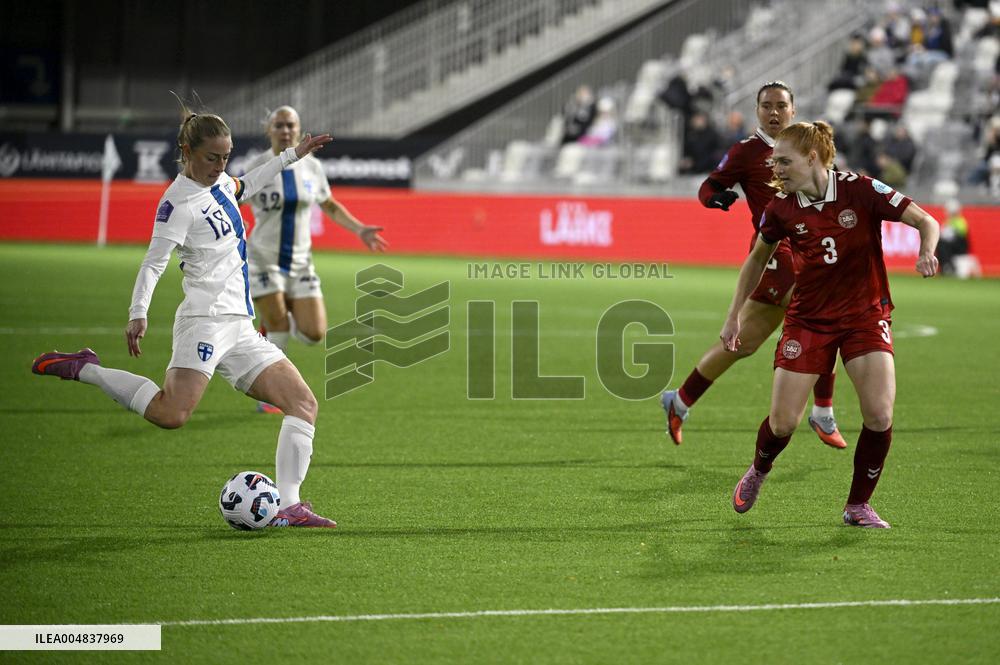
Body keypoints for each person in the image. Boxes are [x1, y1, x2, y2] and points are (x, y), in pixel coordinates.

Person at [31, 99, 338, 528]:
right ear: (187, 151)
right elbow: (155, 261)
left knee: (303, 403)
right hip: (204, 321)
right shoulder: (177, 204)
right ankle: (88, 369)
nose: (220, 165)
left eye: (225, 156)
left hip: (241, 327)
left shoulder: (222, 185)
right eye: (212, 157)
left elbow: (245, 183)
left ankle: (290, 504)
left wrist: (292, 155)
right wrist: (138, 312)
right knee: (170, 414)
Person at [722, 120, 939, 528]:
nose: (777, 171)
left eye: (784, 162)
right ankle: (759, 470)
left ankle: (858, 505)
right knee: (783, 421)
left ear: (812, 157)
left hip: (865, 316)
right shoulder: (782, 208)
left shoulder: (861, 189)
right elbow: (755, 260)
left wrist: (927, 250)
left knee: (879, 414)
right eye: (773, 163)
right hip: (809, 320)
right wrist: (734, 314)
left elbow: (927, 221)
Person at [662, 81, 846, 449]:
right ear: (757, 111)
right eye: (766, 106)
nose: (774, 112)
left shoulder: (810, 146)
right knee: (825, 316)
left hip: (809, 250)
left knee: (742, 343)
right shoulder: (746, 152)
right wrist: (716, 198)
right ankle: (822, 411)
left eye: (781, 105)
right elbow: (707, 187)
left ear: (793, 110)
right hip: (774, 252)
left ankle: (680, 400)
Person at [246, 106, 386, 413]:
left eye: (290, 125)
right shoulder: (258, 166)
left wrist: (359, 229)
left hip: (300, 262)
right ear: (269, 130)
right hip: (263, 258)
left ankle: (274, 322)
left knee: (315, 333)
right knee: (280, 326)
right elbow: (234, 197)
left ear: (298, 130)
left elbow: (330, 205)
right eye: (279, 125)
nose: (285, 131)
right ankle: (269, 396)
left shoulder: (312, 168)